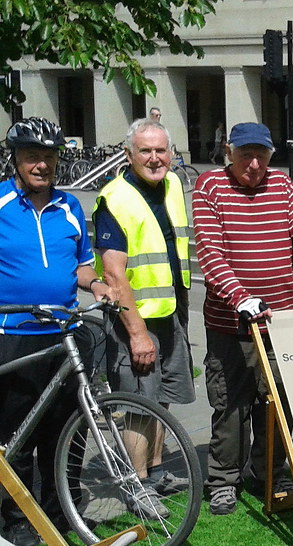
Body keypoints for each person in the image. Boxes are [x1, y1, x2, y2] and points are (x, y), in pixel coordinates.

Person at [193, 122, 293, 516]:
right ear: (229, 152)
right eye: (245, 155)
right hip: (230, 324)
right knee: (230, 404)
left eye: (261, 155)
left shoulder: (284, 188)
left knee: (277, 402)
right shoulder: (210, 187)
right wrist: (240, 297)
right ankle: (223, 478)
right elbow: (209, 250)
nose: (253, 164)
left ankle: (269, 469)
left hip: (282, 323)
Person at [0, 117, 116, 546]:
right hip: (13, 333)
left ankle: (59, 511)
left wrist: (99, 283)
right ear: (17, 160)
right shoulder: (1, 202)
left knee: (66, 428)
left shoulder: (69, 206)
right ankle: (15, 518)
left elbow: (82, 264)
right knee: (15, 433)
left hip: (65, 333)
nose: (42, 165)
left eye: (48, 157)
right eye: (33, 157)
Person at [93, 118, 195, 520]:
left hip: (170, 309)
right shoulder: (114, 198)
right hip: (136, 319)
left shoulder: (171, 185)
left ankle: (153, 470)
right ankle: (138, 485)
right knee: (139, 403)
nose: (155, 158)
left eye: (161, 150)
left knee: (162, 396)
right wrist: (136, 334)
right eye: (146, 151)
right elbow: (114, 272)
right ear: (129, 155)